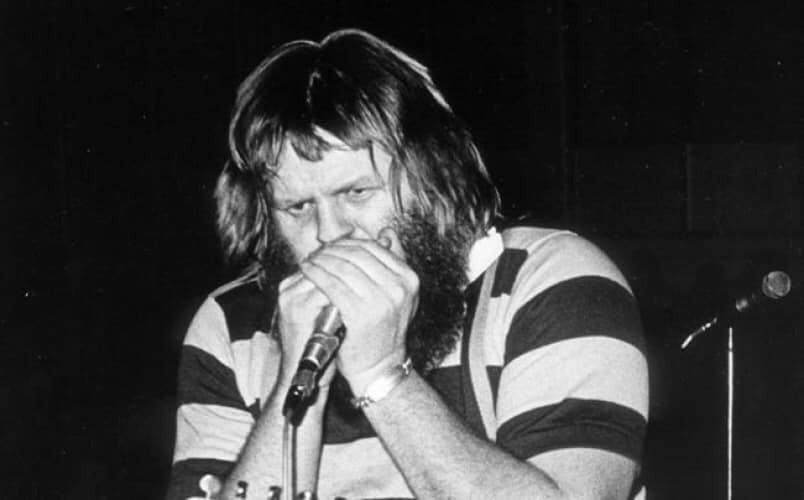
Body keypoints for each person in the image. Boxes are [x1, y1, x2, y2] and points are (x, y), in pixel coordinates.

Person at [167, 29, 648, 500]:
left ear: (432, 177)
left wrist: (381, 374)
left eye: (357, 192)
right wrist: (297, 381)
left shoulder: (553, 282)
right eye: (298, 207)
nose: (329, 232)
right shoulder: (229, 329)